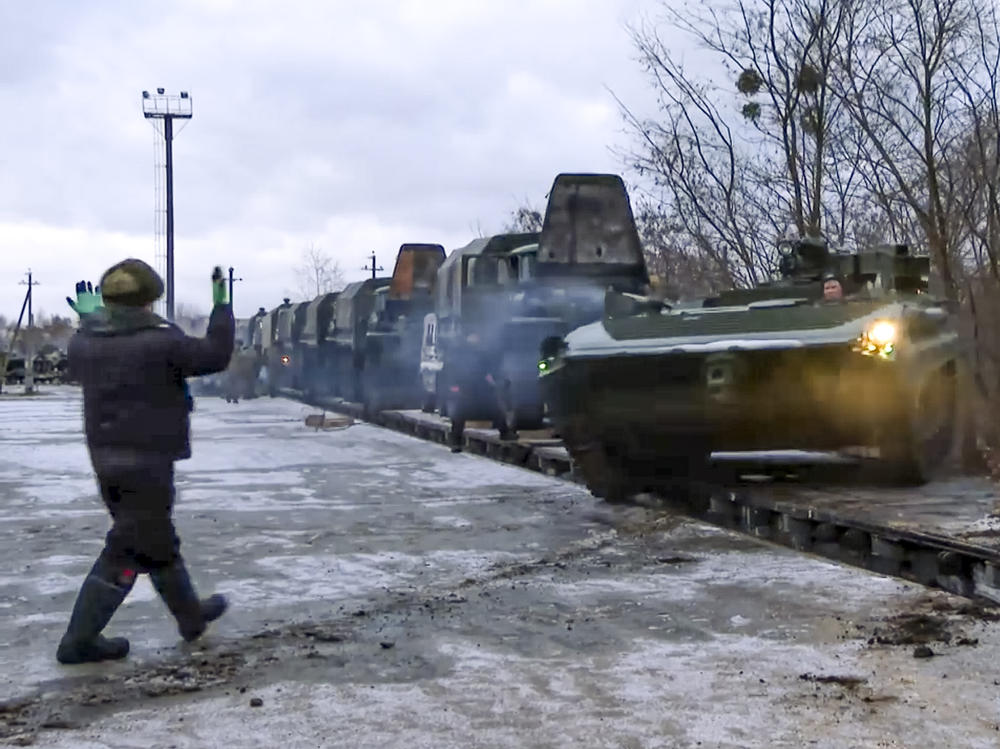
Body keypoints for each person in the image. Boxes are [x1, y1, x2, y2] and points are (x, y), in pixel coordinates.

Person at [57, 259, 234, 664]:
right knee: (126, 550)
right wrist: (222, 307)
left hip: (107, 461)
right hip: (148, 463)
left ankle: (191, 617)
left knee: (157, 542)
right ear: (147, 303)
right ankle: (78, 640)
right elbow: (214, 356)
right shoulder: (161, 341)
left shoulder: (84, 341)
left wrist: (89, 320)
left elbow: (92, 347)